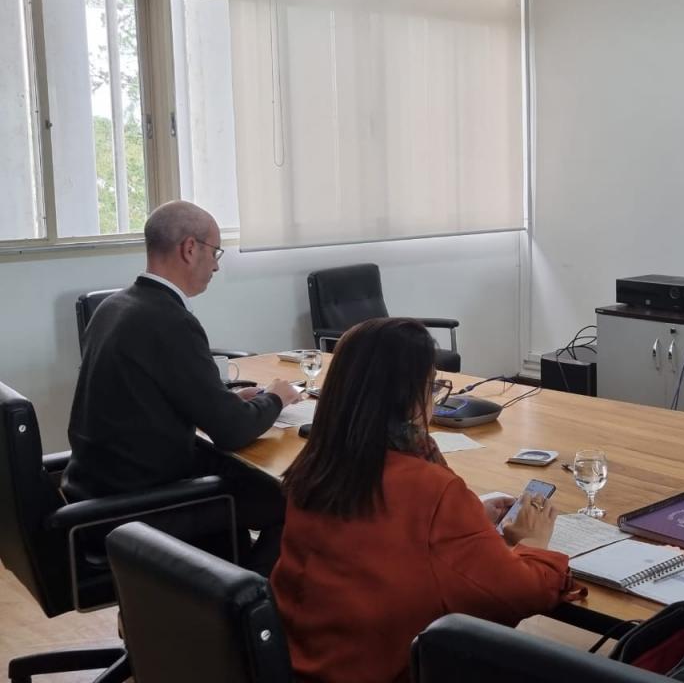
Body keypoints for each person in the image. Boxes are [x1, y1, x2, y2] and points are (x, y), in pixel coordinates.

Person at [272, 318, 577, 683]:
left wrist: (468, 520)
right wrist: (533, 543)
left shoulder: (317, 464)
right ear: (409, 397)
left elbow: (386, 543)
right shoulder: (428, 488)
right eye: (432, 386)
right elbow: (520, 594)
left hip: (298, 666)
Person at [63, 200, 301, 572]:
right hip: (146, 502)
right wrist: (276, 398)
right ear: (190, 249)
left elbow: (147, 399)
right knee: (292, 499)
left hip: (99, 488)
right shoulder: (169, 320)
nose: (218, 265)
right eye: (215, 252)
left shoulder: (114, 306)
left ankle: (204, 598)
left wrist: (229, 400)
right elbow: (232, 431)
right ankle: (240, 611)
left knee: (243, 483)